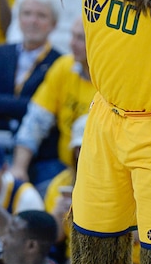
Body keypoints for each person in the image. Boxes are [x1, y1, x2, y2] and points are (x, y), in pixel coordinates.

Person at [12, 17, 95, 182]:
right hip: (67, 166)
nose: (72, 43)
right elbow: (36, 120)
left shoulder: (113, 79)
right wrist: (19, 168)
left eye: (80, 38)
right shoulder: (64, 66)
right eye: (72, 36)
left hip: (105, 168)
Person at [0, 0, 62, 139]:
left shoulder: (60, 63)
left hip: (39, 149)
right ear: (19, 19)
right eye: (27, 14)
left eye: (41, 16)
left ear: (54, 24)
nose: (33, 21)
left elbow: (45, 109)